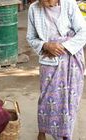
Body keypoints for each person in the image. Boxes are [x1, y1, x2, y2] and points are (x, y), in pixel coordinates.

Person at [26, 0, 86, 140]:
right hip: (49, 59)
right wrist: (46, 45)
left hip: (72, 59)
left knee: (70, 98)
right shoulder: (33, 9)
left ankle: (65, 133)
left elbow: (83, 31)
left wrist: (63, 47)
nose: (46, 2)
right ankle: (43, 129)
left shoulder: (69, 4)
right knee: (47, 97)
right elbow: (31, 37)